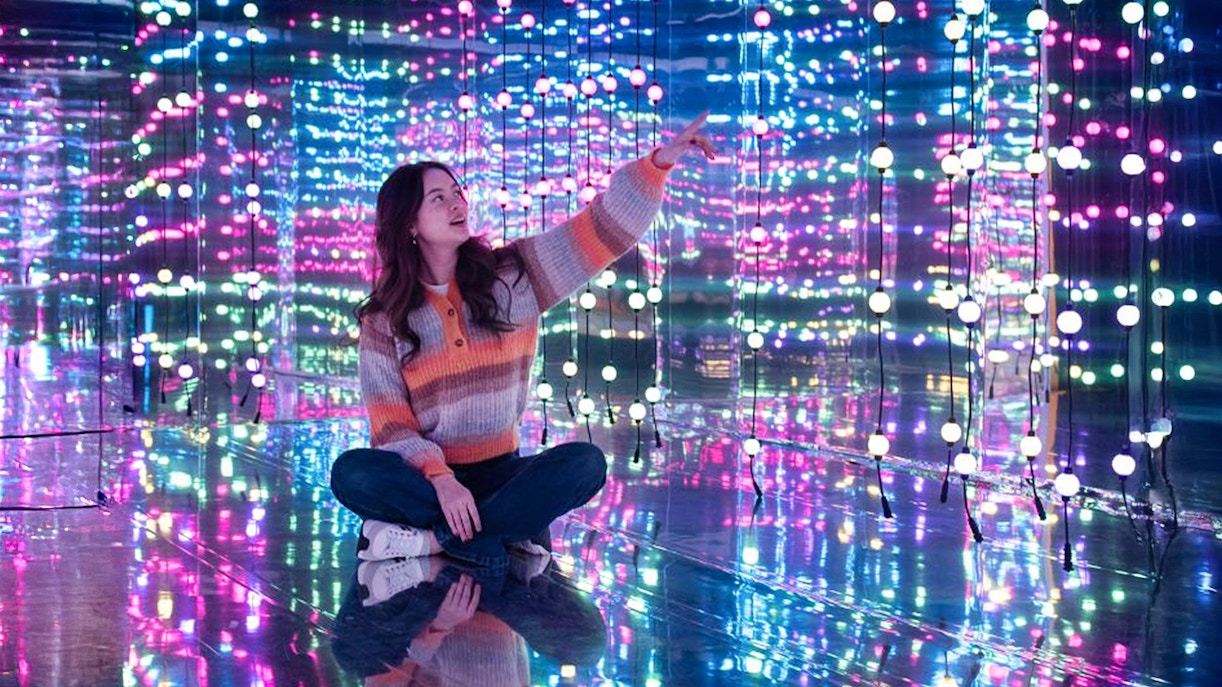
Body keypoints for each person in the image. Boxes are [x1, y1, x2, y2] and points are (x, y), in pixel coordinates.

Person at [330, 111, 717, 571]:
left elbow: (599, 232)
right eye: (439, 198)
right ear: (409, 225)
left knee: (585, 463)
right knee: (352, 473)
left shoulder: (512, 275)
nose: (457, 204)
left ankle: (436, 539)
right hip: (430, 480)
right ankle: (499, 531)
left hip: (504, 473)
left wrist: (657, 165)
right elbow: (391, 427)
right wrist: (441, 480)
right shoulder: (383, 319)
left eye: (457, 193)